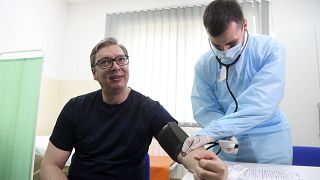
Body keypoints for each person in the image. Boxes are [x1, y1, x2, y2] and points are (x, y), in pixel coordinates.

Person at [40, 37, 227, 180]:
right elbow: (50, 164)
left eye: (121, 59)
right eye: (105, 62)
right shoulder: (75, 108)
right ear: (94, 73)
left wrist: (201, 166)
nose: (115, 67)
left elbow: (181, 146)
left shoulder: (148, 109)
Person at [182, 0, 292, 165]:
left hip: (269, 142)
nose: (225, 51)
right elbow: (205, 108)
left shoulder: (270, 50)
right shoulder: (204, 65)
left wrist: (214, 131)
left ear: (245, 25)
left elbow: (260, 103)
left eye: (231, 43)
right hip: (228, 146)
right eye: (216, 45)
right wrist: (225, 134)